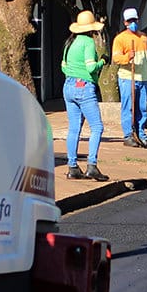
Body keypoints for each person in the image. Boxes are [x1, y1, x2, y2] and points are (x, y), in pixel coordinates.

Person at [61, 10, 108, 181]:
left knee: (74, 128)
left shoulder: (69, 43)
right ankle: (92, 165)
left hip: (68, 86)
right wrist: (102, 61)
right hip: (84, 87)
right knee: (97, 127)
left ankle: (72, 167)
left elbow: (63, 67)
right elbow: (90, 67)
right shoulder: (88, 43)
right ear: (91, 30)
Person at [112, 7, 147, 148]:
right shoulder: (120, 39)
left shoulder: (144, 38)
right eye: (130, 21)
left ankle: (141, 135)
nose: (133, 23)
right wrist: (127, 57)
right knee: (128, 107)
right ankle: (128, 135)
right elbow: (116, 58)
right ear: (125, 22)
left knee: (142, 108)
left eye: (134, 20)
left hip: (143, 78)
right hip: (127, 77)